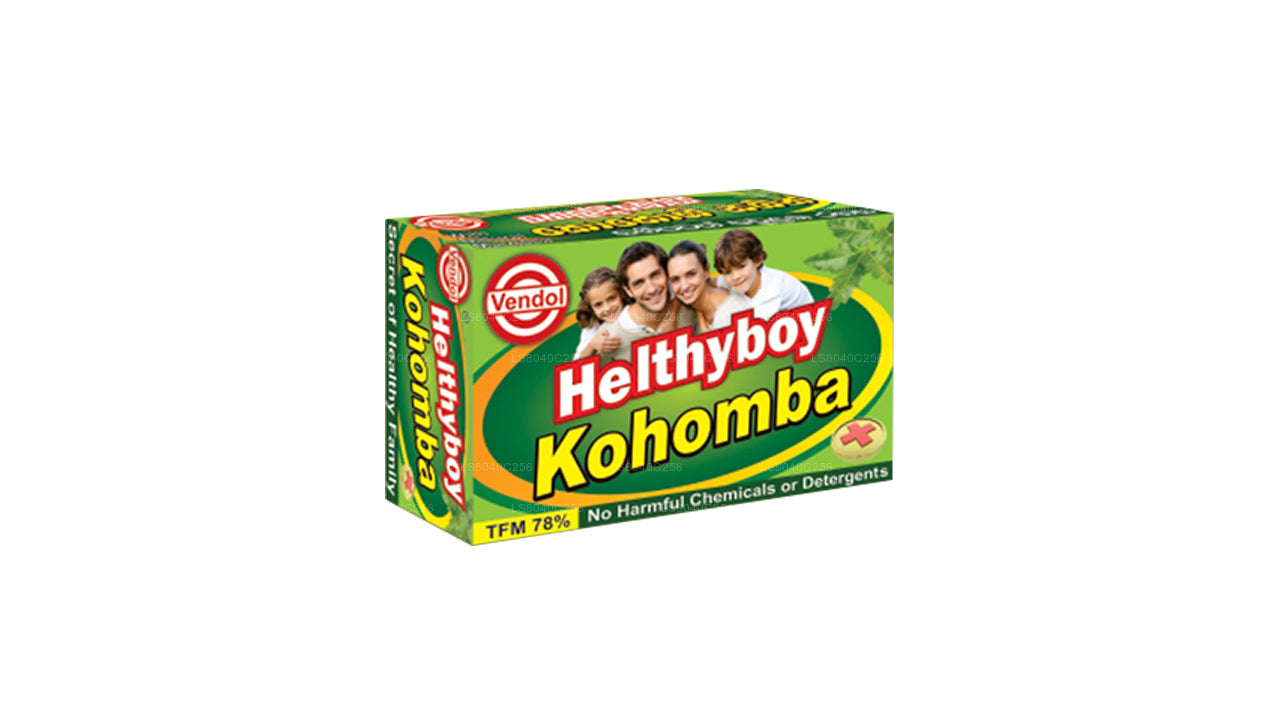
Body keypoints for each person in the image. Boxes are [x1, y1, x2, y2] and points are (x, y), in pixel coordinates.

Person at [597, 241, 695, 364]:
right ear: (628, 290)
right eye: (638, 283)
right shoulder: (608, 337)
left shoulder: (692, 305)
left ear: (667, 274)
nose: (651, 289)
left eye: (655, 275)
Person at [713, 229, 814, 319]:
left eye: (741, 266)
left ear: (757, 260)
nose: (735, 277)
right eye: (727, 272)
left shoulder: (773, 292)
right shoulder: (730, 281)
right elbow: (711, 282)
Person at [667, 240, 752, 333]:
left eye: (691, 274)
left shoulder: (731, 314)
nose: (684, 286)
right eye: (675, 279)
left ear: (706, 271)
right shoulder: (702, 303)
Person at [572, 268, 628, 360]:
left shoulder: (633, 310)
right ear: (591, 307)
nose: (607, 308)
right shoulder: (593, 324)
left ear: (621, 293)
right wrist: (592, 345)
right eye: (598, 305)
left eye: (612, 298)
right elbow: (577, 362)